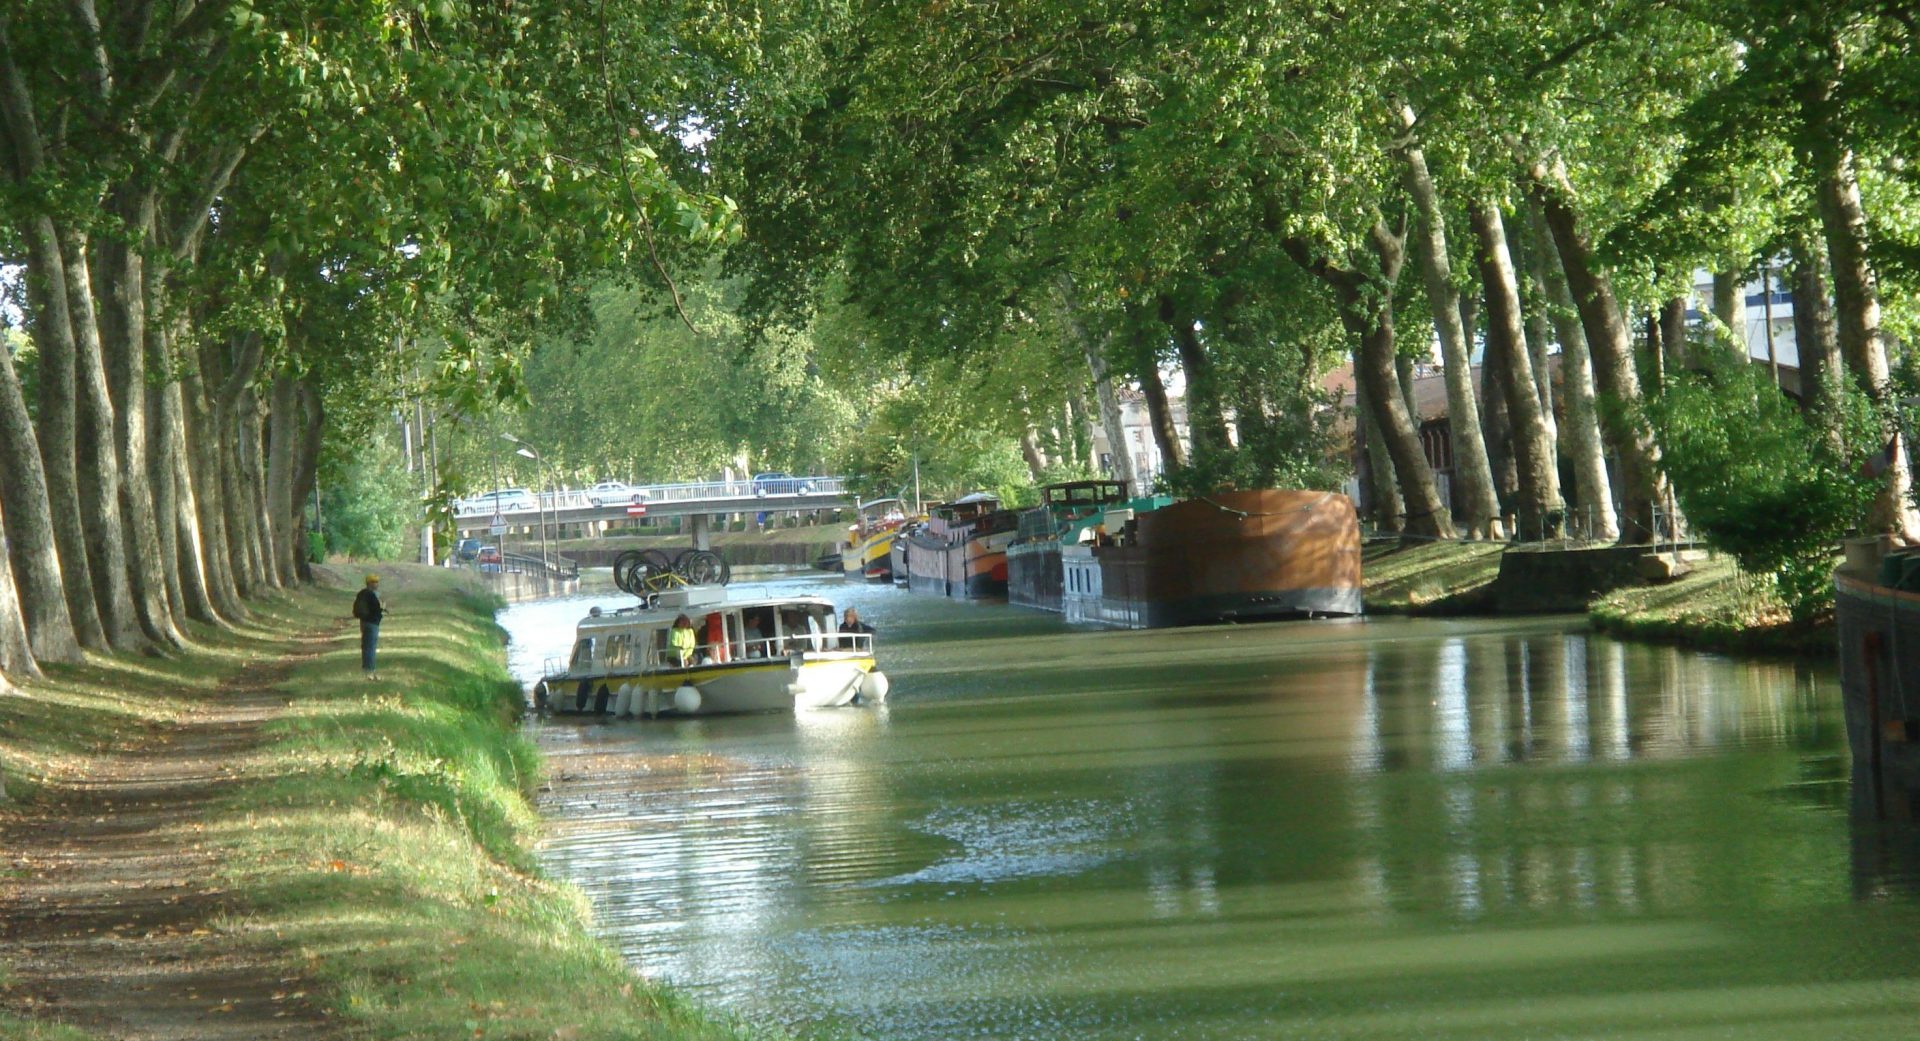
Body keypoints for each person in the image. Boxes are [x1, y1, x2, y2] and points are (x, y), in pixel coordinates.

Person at [352, 573, 385, 678]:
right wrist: (381, 609)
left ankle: (366, 667)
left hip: (364, 622)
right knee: (371, 646)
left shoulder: (361, 593)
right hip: (372, 623)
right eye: (374, 582)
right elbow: (375, 609)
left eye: (377, 582)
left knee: (366, 645)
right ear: (369, 583)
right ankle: (370, 669)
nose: (376, 584)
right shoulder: (371, 595)